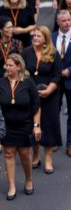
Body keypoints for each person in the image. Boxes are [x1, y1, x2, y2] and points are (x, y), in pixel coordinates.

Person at [0, 53, 41, 200]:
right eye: (6, 65)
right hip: (7, 125)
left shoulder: (28, 82)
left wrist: (36, 125)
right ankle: (12, 185)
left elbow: (36, 105)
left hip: (25, 124)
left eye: (10, 65)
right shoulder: (1, 82)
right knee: (8, 153)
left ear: (19, 66)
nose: (7, 68)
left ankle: (28, 180)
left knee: (25, 154)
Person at [22, 26, 62, 174]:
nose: (35, 39)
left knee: (49, 125)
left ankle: (48, 158)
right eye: (33, 36)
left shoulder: (53, 53)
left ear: (45, 38)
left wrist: (49, 90)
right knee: (34, 124)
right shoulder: (26, 52)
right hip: (32, 94)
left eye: (38, 36)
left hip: (50, 95)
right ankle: (36, 154)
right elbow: (23, 72)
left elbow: (57, 75)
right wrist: (30, 90)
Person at [0, 16, 23, 96]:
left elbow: (21, 63)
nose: (11, 30)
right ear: (0, 30)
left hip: (13, 76)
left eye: (12, 27)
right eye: (8, 28)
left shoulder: (17, 44)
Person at [52, 10, 71, 157]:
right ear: (58, 22)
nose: (67, 23)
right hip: (55, 81)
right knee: (53, 112)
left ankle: (70, 144)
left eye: (69, 20)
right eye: (64, 21)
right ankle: (54, 141)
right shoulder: (51, 37)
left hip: (70, 79)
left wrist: (69, 70)